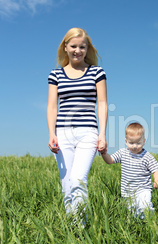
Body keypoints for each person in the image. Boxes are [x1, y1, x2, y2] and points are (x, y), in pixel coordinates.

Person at [47, 28, 108, 219]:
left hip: (88, 132)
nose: (77, 50)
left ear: (87, 49)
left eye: (82, 47)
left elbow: (103, 103)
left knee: (78, 179)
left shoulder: (96, 72)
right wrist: (52, 134)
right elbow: (51, 106)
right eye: (73, 46)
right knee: (66, 182)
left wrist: (102, 134)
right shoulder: (55, 75)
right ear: (65, 47)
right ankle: (71, 226)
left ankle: (81, 227)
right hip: (62, 133)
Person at [101, 123, 158, 219]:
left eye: (138, 143)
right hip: (127, 192)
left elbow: (156, 169)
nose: (134, 146)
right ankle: (140, 227)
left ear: (144, 141)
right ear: (126, 141)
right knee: (133, 214)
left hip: (143, 189)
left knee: (144, 206)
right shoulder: (122, 153)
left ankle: (151, 220)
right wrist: (104, 154)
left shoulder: (147, 156)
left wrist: (157, 180)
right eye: (131, 143)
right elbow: (110, 161)